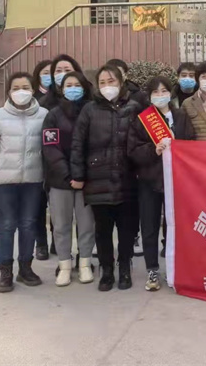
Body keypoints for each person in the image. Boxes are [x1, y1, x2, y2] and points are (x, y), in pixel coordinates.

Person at [71, 63, 141, 292]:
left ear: (121, 82)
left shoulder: (135, 108)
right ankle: (107, 270)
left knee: (127, 230)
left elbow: (144, 140)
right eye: (102, 82)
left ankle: (125, 268)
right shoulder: (89, 110)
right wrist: (78, 175)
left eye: (111, 81)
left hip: (127, 179)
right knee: (103, 230)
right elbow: (78, 144)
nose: (107, 86)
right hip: (97, 179)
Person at [0, 72, 48, 293]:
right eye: (16, 88)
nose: (21, 92)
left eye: (25, 87)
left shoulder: (44, 115)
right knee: (6, 225)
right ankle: (5, 272)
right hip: (3, 182)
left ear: (33, 90)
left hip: (33, 181)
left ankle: (25, 268)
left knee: (28, 224)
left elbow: (49, 151)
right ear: (9, 92)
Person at [128, 76, 195, 291]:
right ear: (149, 96)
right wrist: (153, 149)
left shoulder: (181, 116)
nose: (160, 95)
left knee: (174, 226)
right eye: (155, 92)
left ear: (170, 93)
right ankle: (152, 270)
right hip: (149, 180)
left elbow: (191, 143)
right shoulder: (142, 119)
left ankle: (175, 269)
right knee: (149, 225)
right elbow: (133, 151)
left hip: (176, 180)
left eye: (164, 91)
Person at [41, 71, 96, 287]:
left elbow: (96, 145)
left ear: (84, 87)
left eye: (77, 84)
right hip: (60, 181)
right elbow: (50, 148)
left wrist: (82, 175)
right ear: (61, 89)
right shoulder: (53, 115)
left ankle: (85, 263)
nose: (73, 88)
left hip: (87, 180)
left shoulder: (92, 111)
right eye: (68, 85)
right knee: (61, 225)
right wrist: (69, 175)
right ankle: (64, 265)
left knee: (86, 224)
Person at [37, 53, 83, 259]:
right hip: (55, 170)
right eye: (58, 70)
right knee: (58, 214)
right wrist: (63, 170)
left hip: (82, 172)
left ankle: (83, 255)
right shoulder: (44, 105)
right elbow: (48, 144)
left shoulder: (88, 104)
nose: (63, 74)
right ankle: (59, 249)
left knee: (84, 218)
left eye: (68, 70)